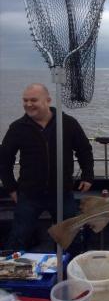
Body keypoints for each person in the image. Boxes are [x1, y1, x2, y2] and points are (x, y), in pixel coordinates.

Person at [0, 83, 94, 255]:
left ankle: (70, 274)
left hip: (62, 193)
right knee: (18, 237)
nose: (28, 104)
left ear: (48, 100)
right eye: (25, 100)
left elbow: (84, 149)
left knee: (71, 238)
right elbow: (4, 159)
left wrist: (88, 175)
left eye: (33, 100)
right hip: (29, 194)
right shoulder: (17, 128)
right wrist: (11, 187)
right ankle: (15, 276)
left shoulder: (67, 123)